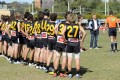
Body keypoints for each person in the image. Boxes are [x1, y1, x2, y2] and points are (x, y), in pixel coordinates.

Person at [63, 13, 86, 78]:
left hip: (69, 43)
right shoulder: (78, 25)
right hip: (76, 43)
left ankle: (70, 73)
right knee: (77, 58)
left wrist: (65, 39)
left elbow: (62, 33)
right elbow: (84, 33)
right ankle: (78, 73)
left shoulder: (66, 25)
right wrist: (82, 41)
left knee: (69, 58)